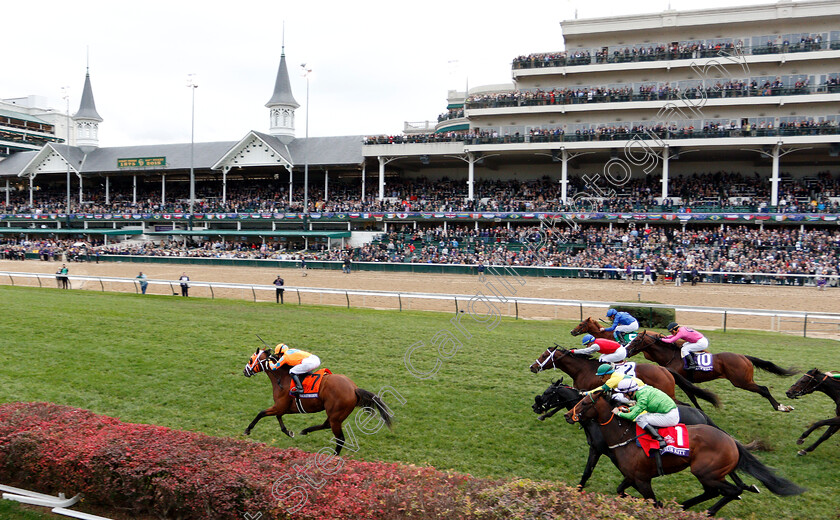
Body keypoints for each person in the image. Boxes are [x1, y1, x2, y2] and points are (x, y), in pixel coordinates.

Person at [613, 377, 679, 449]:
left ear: (630, 392)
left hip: (670, 417)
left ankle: (659, 439)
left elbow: (631, 416)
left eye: (624, 394)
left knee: (640, 419)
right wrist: (627, 409)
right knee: (642, 416)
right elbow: (638, 407)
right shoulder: (643, 391)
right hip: (667, 412)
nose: (624, 396)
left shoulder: (642, 397)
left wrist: (618, 413)